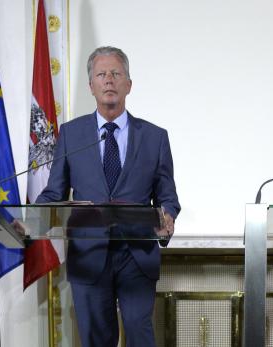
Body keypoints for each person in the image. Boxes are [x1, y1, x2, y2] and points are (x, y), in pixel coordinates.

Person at [36, 46, 180, 347]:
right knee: (97, 340)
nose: (109, 80)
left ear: (129, 84)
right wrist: (29, 220)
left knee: (140, 334)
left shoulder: (155, 137)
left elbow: (167, 195)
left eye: (116, 74)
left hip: (137, 254)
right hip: (89, 255)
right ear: (91, 86)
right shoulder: (71, 135)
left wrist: (167, 216)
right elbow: (54, 192)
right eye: (101, 74)